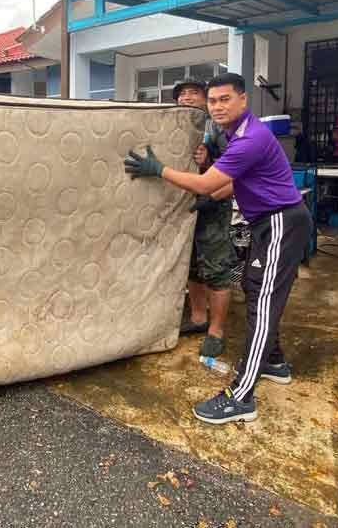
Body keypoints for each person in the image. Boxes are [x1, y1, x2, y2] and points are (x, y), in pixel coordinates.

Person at [124, 73, 311, 425]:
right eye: (213, 101)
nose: (217, 106)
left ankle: (241, 397)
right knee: (257, 290)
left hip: (281, 222)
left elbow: (207, 181)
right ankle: (273, 362)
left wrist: (158, 169)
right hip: (267, 222)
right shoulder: (232, 134)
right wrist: (211, 200)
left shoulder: (251, 138)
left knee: (263, 301)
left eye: (225, 99)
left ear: (243, 100)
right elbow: (230, 183)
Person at [173, 79, 238, 358]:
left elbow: (230, 178)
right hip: (183, 205)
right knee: (191, 266)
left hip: (213, 206)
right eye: (182, 94)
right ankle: (199, 318)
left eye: (194, 93)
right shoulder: (174, 128)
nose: (187, 98)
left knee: (216, 268)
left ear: (207, 100)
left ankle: (216, 330)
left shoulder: (221, 132)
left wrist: (206, 164)